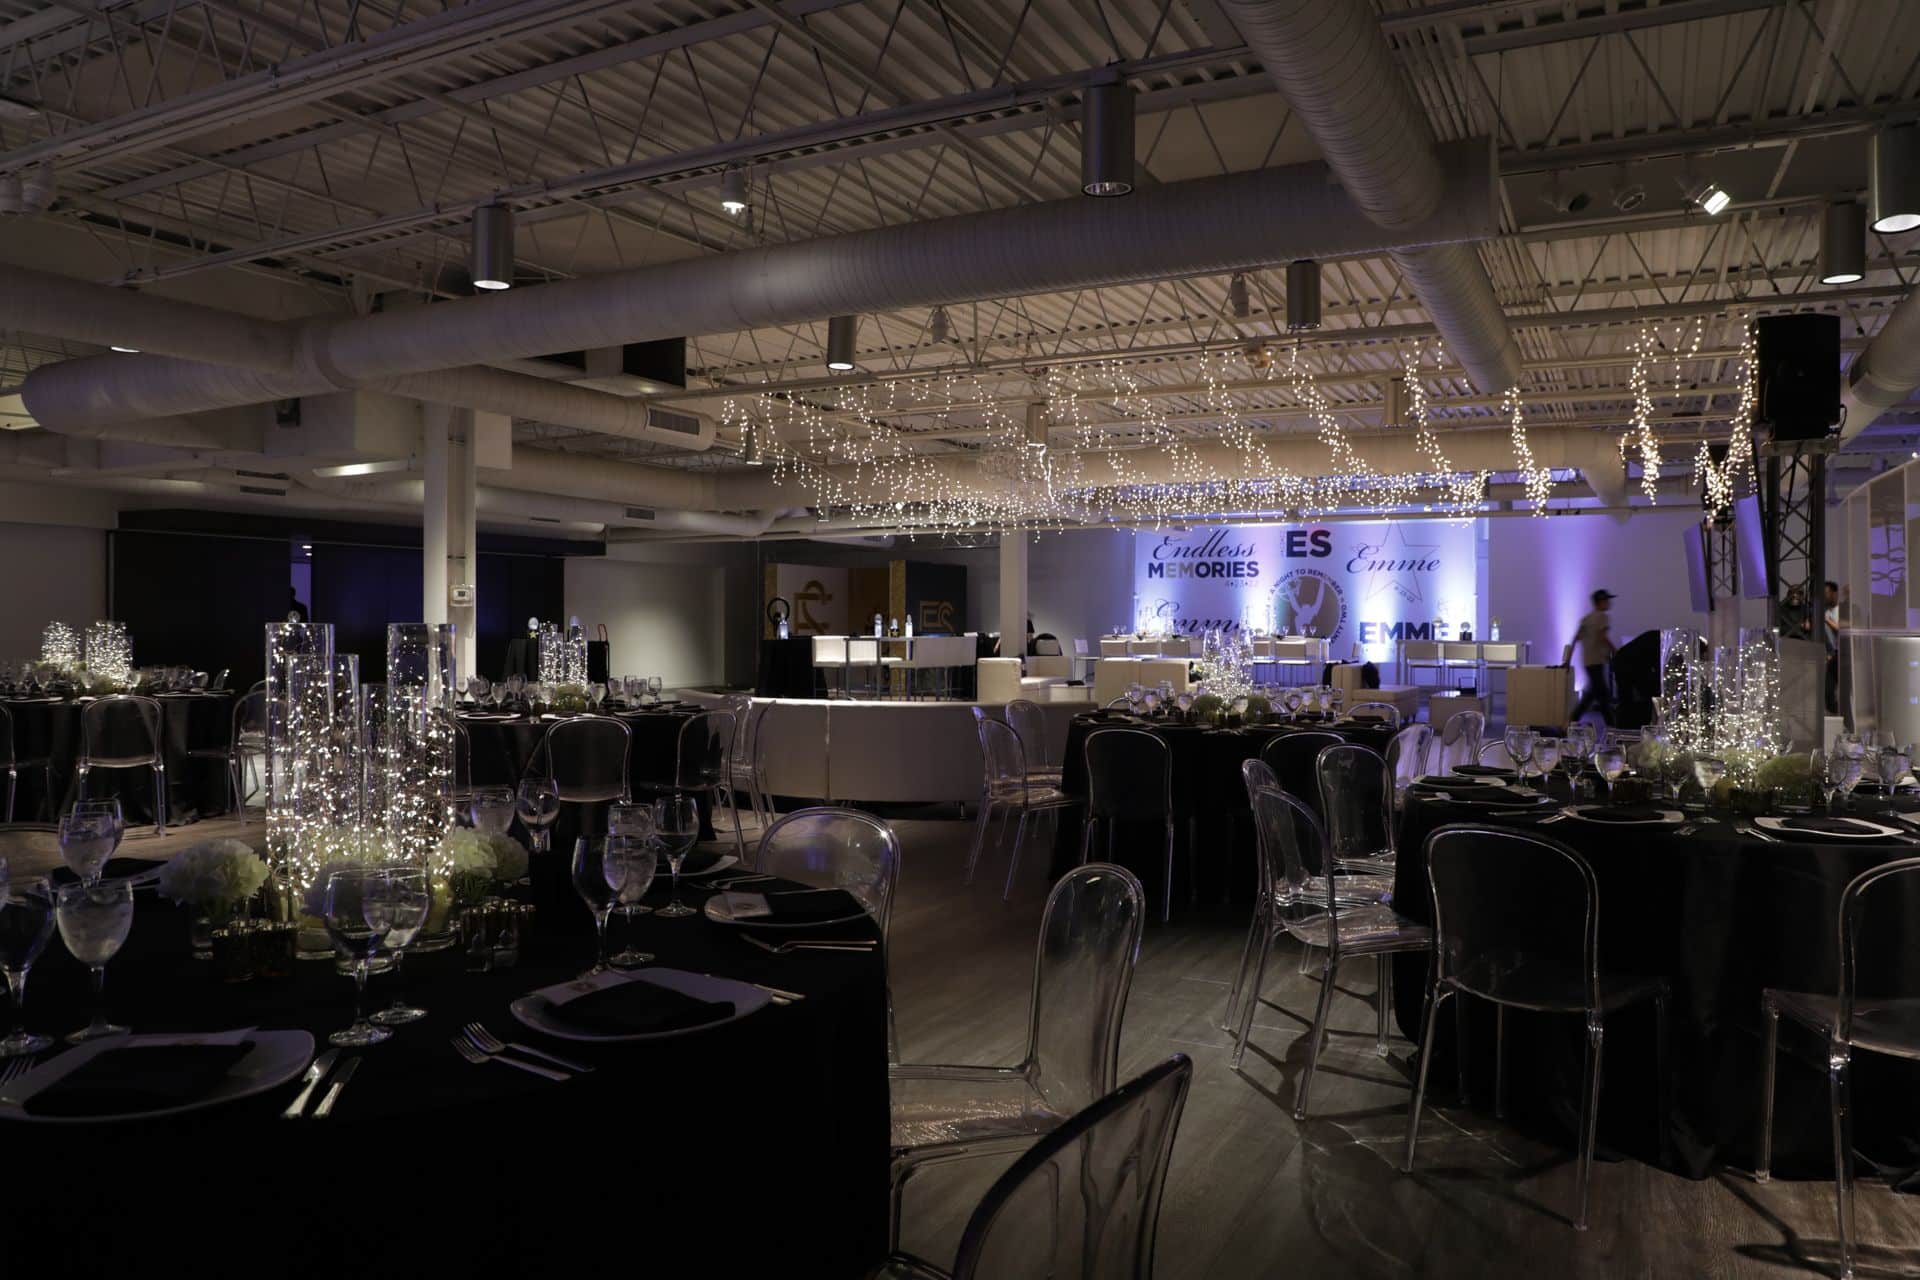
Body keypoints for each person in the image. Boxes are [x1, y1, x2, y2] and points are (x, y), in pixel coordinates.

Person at [1566, 589, 1617, 724]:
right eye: (1607, 600)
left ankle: (1570, 722)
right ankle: (1612, 726)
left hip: (1588, 661)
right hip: (1598, 660)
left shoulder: (1586, 619)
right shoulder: (1603, 617)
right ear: (1600, 602)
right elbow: (1602, 636)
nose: (1609, 603)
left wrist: (1567, 661)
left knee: (1595, 693)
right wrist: (1615, 651)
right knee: (1601, 695)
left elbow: (1575, 639)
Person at [1824, 579, 1841, 714]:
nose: (1825, 596)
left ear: (1834, 594)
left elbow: (1841, 629)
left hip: (1844, 653)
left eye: (1827, 593)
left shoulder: (1842, 610)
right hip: (1832, 653)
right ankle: (1833, 711)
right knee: (1828, 687)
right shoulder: (1826, 612)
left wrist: (1827, 621)